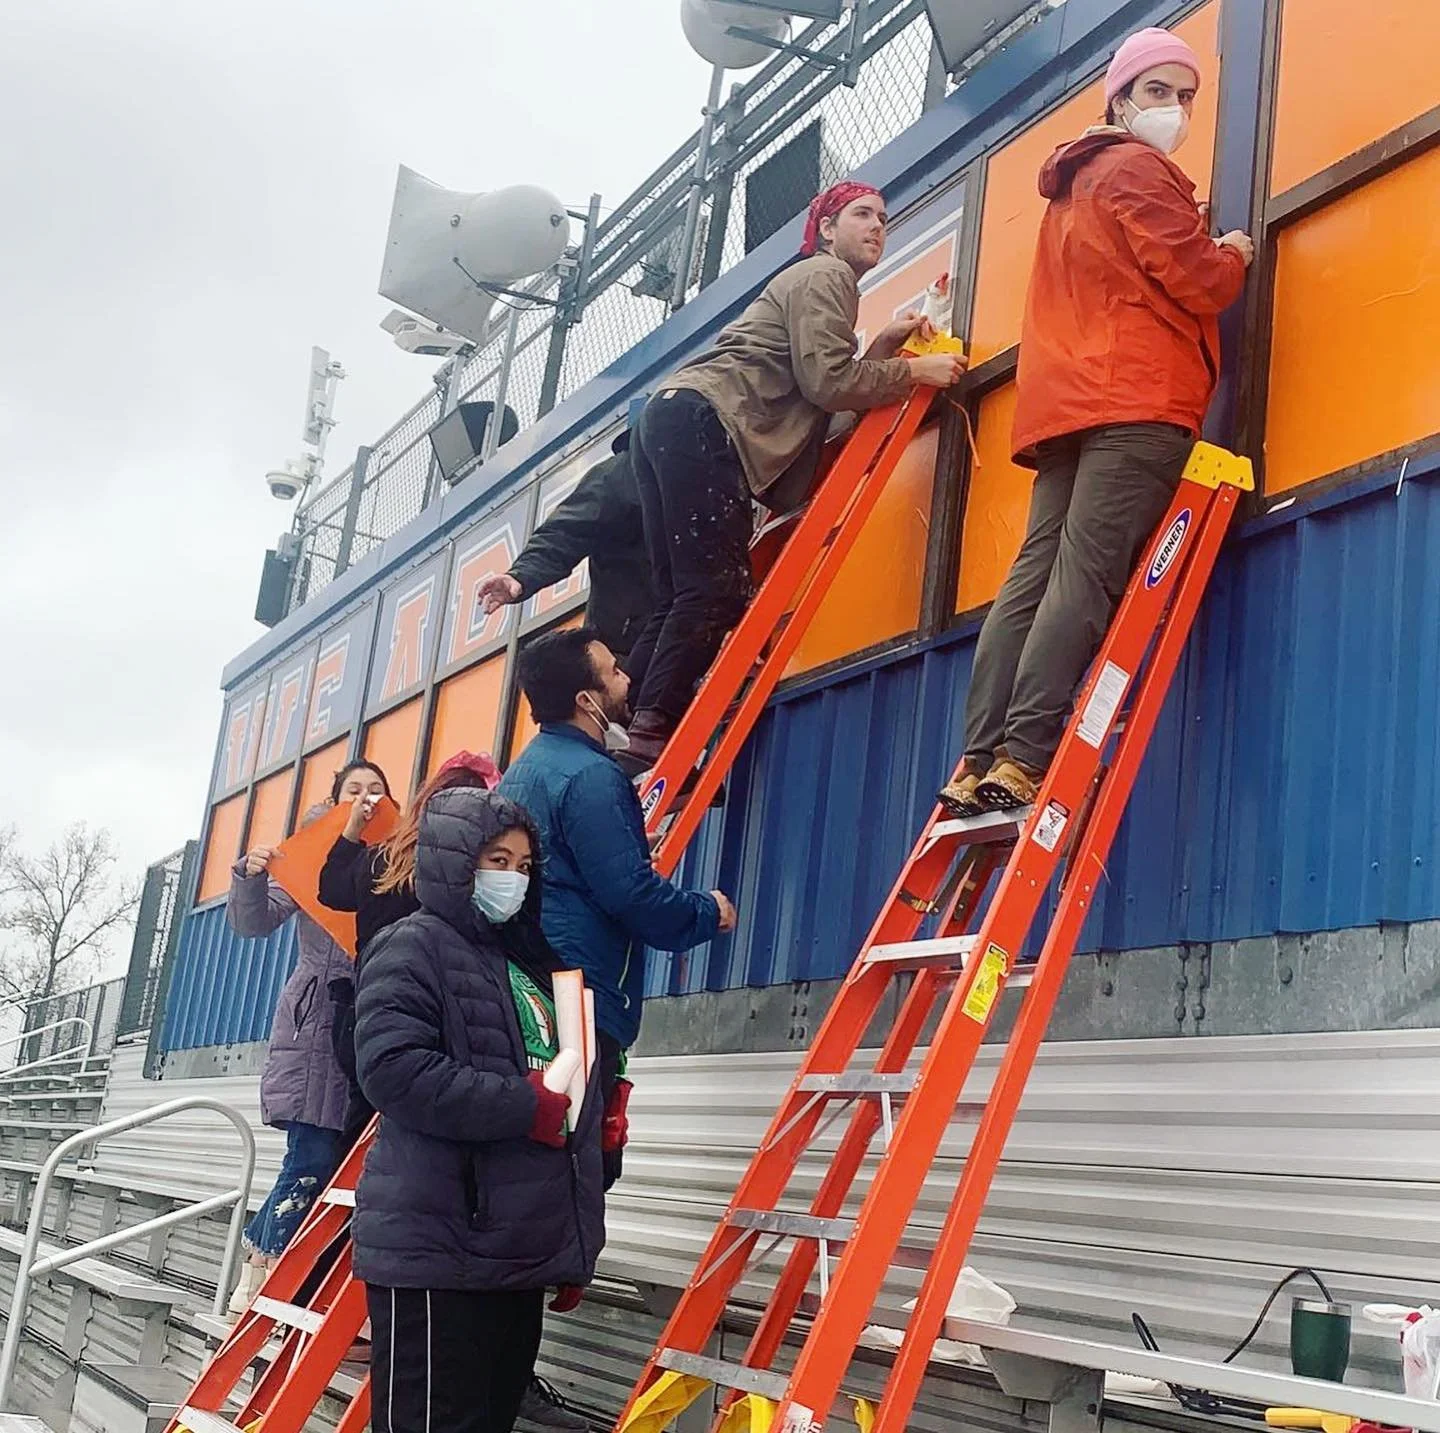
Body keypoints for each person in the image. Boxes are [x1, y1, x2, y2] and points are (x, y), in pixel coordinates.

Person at [939, 26, 1254, 818]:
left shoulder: (1076, 185)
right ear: (1119, 98)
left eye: (1186, 97)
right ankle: (1024, 757)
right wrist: (1236, 253)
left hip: (1068, 404)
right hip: (1135, 398)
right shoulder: (1140, 169)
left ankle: (979, 756)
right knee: (1083, 577)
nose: (1175, 110)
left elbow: (1126, 269)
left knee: (1032, 577)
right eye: (1159, 92)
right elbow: (1199, 280)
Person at [620, 180, 968, 769]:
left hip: (673, 416)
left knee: (681, 592)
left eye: (883, 217)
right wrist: (918, 373)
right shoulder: (826, 276)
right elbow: (829, 385)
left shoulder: (809, 283)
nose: (877, 225)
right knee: (718, 589)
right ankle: (654, 736)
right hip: (708, 421)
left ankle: (628, 722)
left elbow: (818, 381)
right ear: (826, 229)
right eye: (861, 214)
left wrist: (882, 345)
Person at [352, 787, 604, 1433]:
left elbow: (563, 1089)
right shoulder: (410, 944)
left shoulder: (529, 964)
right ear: (456, 859)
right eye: (498, 858)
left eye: (524, 866)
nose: (512, 878)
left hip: (514, 1256)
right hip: (441, 1251)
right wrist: (526, 1103)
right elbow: (392, 1067)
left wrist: (571, 1242)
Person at [498, 625, 735, 1186]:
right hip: (581, 999)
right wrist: (709, 911)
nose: (629, 679)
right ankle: (558, 1272)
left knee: (540, 1162)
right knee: (580, 1169)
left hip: (534, 995)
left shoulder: (524, 770)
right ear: (586, 700)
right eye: (615, 672)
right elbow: (630, 893)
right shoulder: (592, 779)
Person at [223, 765, 389, 1315]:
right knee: (312, 1154)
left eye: (375, 790)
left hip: (374, 1014)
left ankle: (293, 1279)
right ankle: (260, 1261)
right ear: (335, 799)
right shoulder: (313, 848)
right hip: (315, 1019)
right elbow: (256, 922)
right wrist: (248, 876)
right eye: (353, 791)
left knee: (346, 1163)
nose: (365, 800)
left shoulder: (393, 849)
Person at [474, 431, 654, 667]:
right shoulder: (619, 476)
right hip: (626, 652)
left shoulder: (704, 472)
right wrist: (521, 574)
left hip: (684, 637)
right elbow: (564, 531)